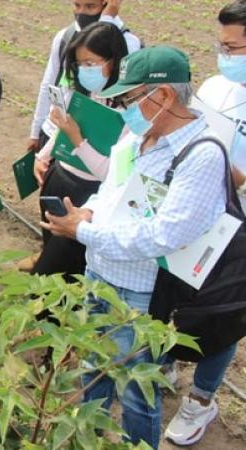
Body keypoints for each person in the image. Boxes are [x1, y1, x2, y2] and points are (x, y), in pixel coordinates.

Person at [42, 46, 229, 449]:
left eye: (128, 98)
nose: (122, 108)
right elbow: (111, 188)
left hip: (140, 295)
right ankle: (86, 440)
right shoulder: (138, 134)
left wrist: (82, 232)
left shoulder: (201, 155)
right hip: (100, 274)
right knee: (92, 370)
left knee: (135, 394)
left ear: (163, 96)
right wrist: (89, 212)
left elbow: (164, 235)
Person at [163, 1, 246, 445]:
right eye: (222, 45)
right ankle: (165, 363)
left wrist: (232, 175)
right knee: (175, 295)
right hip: (195, 213)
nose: (224, 55)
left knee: (224, 315)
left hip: (239, 230)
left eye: (233, 48)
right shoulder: (214, 87)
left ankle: (201, 398)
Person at [29, 22, 129, 278]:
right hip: (58, 180)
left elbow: (109, 173)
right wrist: (43, 156)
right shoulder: (85, 92)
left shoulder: (128, 110)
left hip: (88, 195)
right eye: (80, 64)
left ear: (114, 60)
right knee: (51, 248)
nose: (85, 70)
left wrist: (78, 140)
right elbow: (64, 128)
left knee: (59, 271)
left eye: (91, 63)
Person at [27, 0, 141, 153]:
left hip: (92, 143)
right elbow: (49, 83)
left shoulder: (128, 43)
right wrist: (35, 131)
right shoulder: (65, 36)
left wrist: (106, 19)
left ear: (107, 4)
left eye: (90, 6)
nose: (81, 13)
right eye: (77, 5)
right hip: (53, 132)